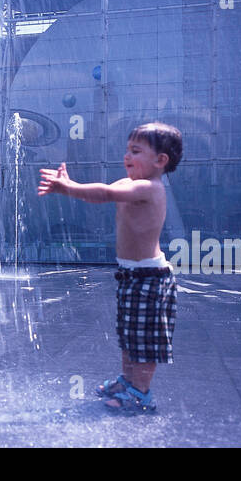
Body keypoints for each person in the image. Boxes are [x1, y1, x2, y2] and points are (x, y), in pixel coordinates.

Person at [38, 122, 183, 414]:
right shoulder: (128, 184)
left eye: (136, 151)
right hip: (131, 274)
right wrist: (71, 189)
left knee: (144, 340)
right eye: (127, 150)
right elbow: (99, 194)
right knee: (129, 335)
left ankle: (141, 393)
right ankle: (128, 381)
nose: (127, 156)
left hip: (150, 278)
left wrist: (69, 187)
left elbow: (104, 192)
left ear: (160, 161)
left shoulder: (149, 187)